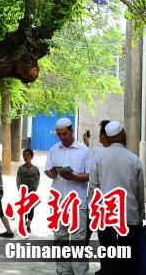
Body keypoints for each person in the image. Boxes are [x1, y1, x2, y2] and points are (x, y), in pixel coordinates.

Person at [89, 120, 145, 275]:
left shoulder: (99, 158)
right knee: (128, 260)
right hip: (129, 216)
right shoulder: (134, 159)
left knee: (108, 257)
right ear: (122, 135)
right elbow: (140, 191)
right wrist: (140, 215)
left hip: (106, 216)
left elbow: (93, 188)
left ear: (108, 137)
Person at [45, 117, 92, 275]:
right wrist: (52, 173)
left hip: (78, 204)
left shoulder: (84, 150)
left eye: (64, 133)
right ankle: (63, 271)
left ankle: (80, 272)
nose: (62, 137)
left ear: (71, 131)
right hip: (58, 204)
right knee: (60, 238)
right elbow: (48, 172)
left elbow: (91, 175)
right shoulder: (53, 149)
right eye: (59, 134)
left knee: (78, 240)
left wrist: (74, 177)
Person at [16, 148, 40, 233]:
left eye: (28, 155)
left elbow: (37, 179)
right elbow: (18, 180)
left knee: (31, 208)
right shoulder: (21, 169)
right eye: (24, 155)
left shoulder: (35, 169)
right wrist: (19, 189)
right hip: (23, 193)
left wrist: (35, 189)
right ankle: (24, 221)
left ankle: (29, 225)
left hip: (32, 192)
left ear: (31, 156)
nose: (26, 157)